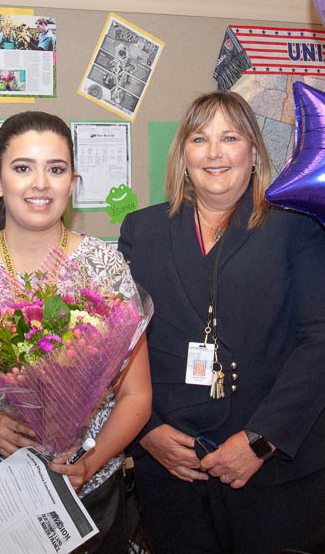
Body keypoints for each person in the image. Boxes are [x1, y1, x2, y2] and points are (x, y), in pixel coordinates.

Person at [0, 111, 152, 554]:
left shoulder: (104, 267)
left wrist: (91, 463)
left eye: (57, 169)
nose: (41, 183)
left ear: (73, 182)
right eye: (23, 167)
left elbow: (136, 396)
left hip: (88, 496)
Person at [119, 91, 325, 553]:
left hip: (274, 471)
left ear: (253, 152)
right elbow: (117, 345)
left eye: (229, 137)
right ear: (183, 154)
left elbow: (321, 342)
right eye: (199, 138)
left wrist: (259, 442)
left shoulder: (296, 227)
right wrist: (145, 429)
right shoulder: (142, 230)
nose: (213, 152)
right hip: (171, 472)